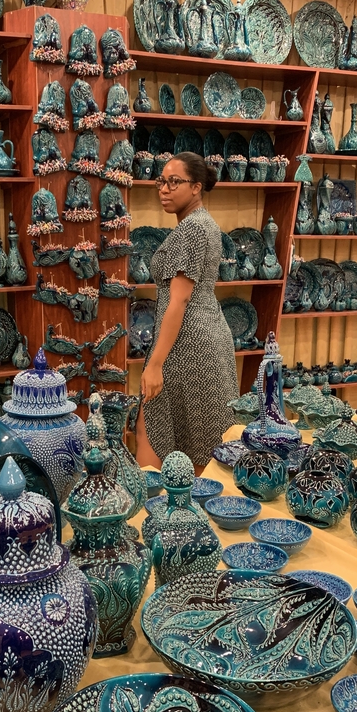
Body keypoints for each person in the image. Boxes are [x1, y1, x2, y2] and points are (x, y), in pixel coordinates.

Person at [136, 153, 239, 475]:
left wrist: (154, 365)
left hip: (189, 341)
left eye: (174, 182)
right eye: (161, 182)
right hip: (201, 335)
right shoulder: (202, 224)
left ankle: (156, 506)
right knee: (195, 435)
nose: (164, 189)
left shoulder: (193, 229)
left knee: (160, 427)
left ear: (196, 187)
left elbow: (178, 301)